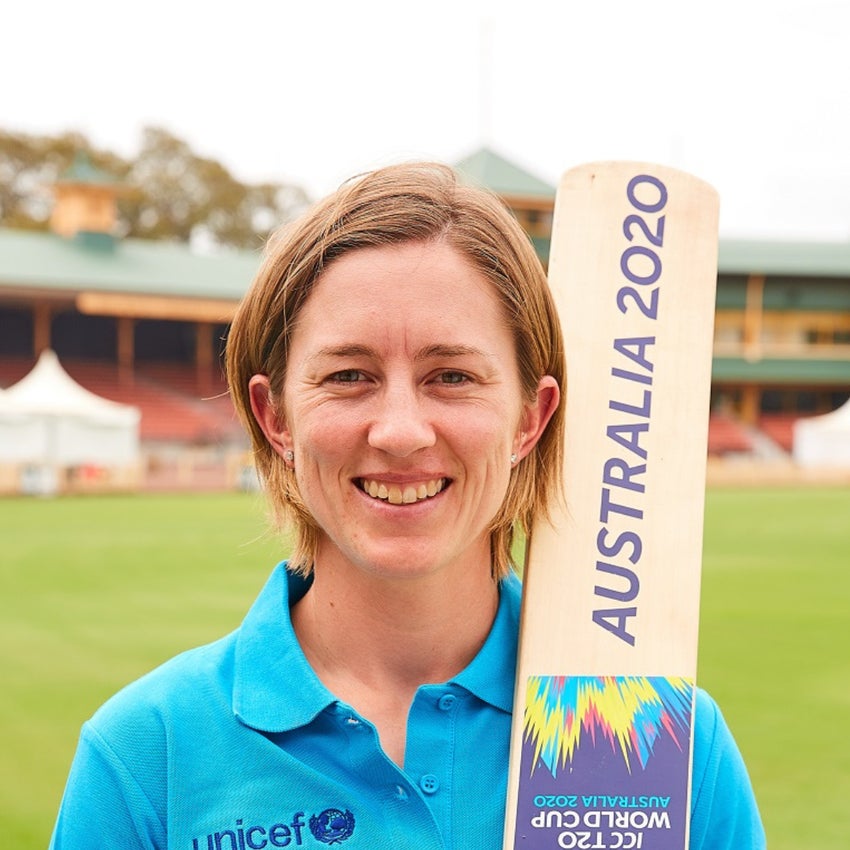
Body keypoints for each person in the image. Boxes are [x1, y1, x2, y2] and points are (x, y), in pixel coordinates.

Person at [49, 162, 765, 849]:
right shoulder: (148, 756)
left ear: (529, 419)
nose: (399, 431)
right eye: (349, 375)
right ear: (275, 418)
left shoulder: (657, 743)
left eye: (451, 375)